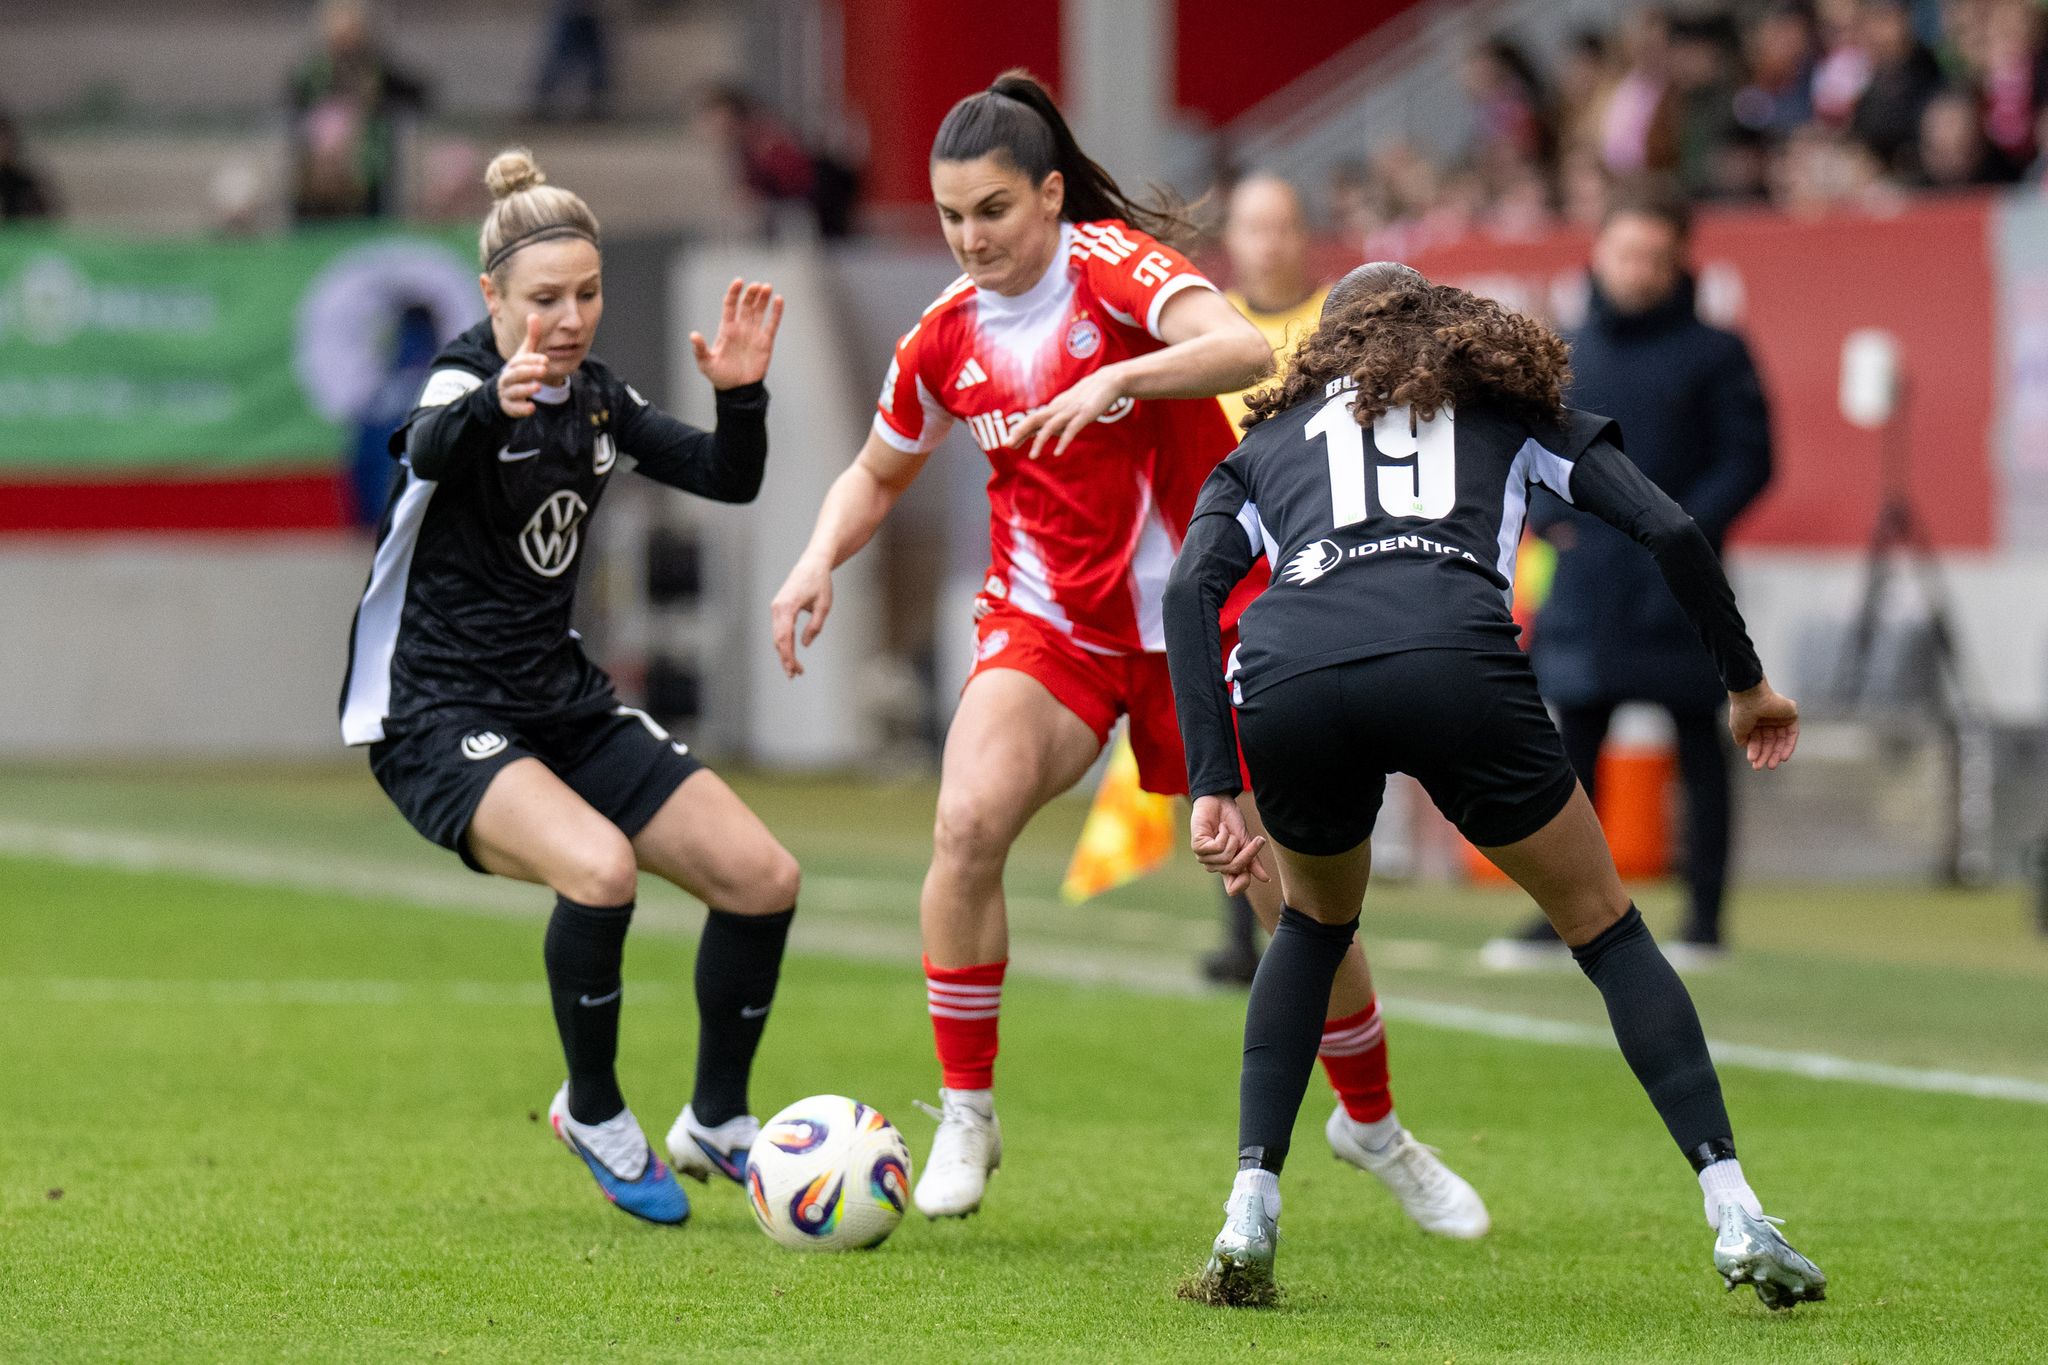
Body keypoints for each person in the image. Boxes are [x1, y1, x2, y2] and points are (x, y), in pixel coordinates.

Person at [770, 72, 1486, 1236]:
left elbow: (1238, 350)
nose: (970, 239)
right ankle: (966, 1113)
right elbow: (875, 468)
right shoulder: (943, 336)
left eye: (992, 211)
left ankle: (1371, 1124)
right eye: (951, 217)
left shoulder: (1112, 271)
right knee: (964, 823)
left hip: (1208, 622)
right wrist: (815, 558)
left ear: (1050, 195)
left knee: (1289, 893)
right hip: (1049, 627)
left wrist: (1118, 372)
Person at [1163, 262, 1827, 1310]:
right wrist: (1744, 686)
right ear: (1447, 328)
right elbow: (1670, 528)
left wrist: (1211, 778)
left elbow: (1187, 589)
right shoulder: (1507, 413)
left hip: (1292, 678)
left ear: (1322, 348)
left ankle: (1249, 1205)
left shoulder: (1265, 444)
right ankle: (1734, 1206)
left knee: (1311, 931)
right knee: (1606, 929)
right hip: (1453, 665)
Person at [338, 149, 795, 1226]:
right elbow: (425, 445)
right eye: (545, 299)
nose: (571, 318)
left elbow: (728, 477)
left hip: (560, 701)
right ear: (492, 296)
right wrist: (492, 405)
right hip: (437, 715)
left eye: (587, 293)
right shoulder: (461, 380)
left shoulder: (595, 398)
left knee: (761, 876)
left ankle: (717, 1119)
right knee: (599, 870)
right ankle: (592, 1109)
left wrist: (741, 397)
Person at [1484, 183, 1772, 969]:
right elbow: (1529, 452)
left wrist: (1681, 527)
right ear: (1598, 253)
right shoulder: (1567, 349)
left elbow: (1751, 459)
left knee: (1700, 745)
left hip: (1680, 582)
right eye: (1625, 253)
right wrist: (1554, 521)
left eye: (1654, 256)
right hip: (1587, 582)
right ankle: (1563, 913)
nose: (1638, 269)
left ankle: (1704, 921)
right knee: (1570, 753)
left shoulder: (1717, 352)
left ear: (1679, 259)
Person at [1200, 172, 1329, 985]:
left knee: (1301, 745)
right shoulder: (1206, 324)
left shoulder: (1336, 325)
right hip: (1229, 563)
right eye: (1254, 226)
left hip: (1313, 558)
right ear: (1232, 239)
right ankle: (1246, 926)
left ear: (1303, 234)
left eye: (1283, 225)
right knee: (1232, 745)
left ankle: (1315, 913)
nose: (1270, 242)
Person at [286, 0, 429, 220]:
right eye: (340, 36)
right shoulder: (311, 76)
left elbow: (419, 97)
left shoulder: (380, 74)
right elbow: (291, 111)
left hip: (371, 179)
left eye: (353, 34)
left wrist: (378, 102)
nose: (346, 46)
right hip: (317, 188)